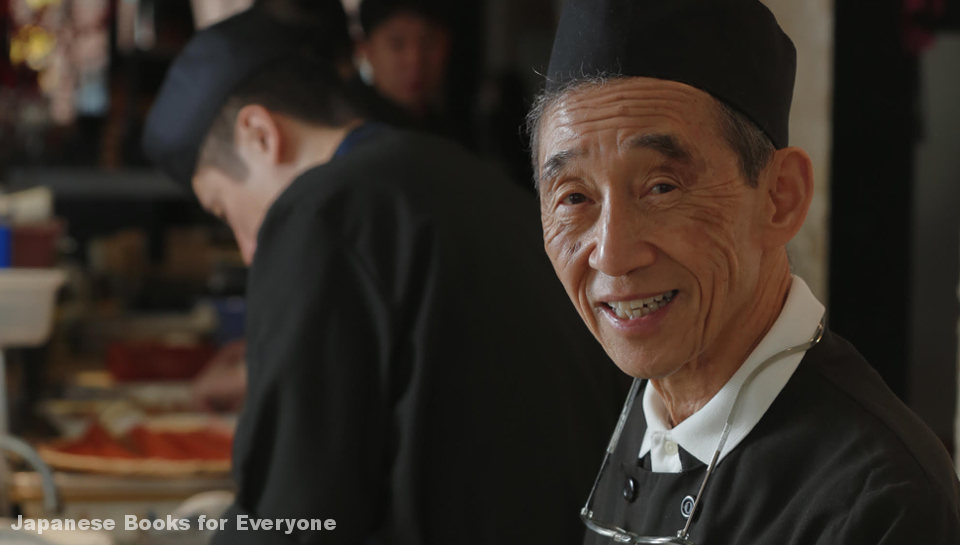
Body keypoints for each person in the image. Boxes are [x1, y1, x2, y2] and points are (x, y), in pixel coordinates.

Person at [142, 7, 626, 545]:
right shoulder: (476, 182)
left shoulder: (319, 213)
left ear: (260, 134)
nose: (246, 247)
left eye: (223, 209)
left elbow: (292, 519)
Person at [527, 0, 960, 543]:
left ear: (780, 197)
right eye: (574, 197)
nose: (611, 255)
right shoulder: (646, 413)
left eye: (662, 187)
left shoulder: (879, 501)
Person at [353, 0, 452, 134]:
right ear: (365, 49)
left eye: (428, 42)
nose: (415, 60)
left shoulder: (450, 127)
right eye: (397, 44)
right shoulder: (354, 130)